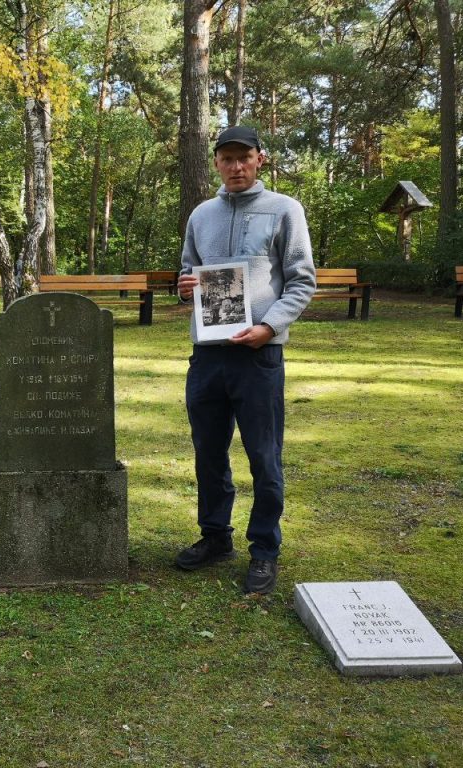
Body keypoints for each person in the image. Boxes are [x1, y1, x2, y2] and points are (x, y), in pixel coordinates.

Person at [175, 125, 316, 594]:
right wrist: (184, 287)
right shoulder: (201, 215)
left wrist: (269, 327)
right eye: (226, 158)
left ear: (260, 160)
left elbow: (301, 281)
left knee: (263, 456)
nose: (235, 167)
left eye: (244, 158)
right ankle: (216, 538)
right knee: (209, 454)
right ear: (216, 162)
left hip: (259, 358)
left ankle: (264, 550)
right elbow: (187, 273)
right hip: (208, 357)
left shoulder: (284, 210)